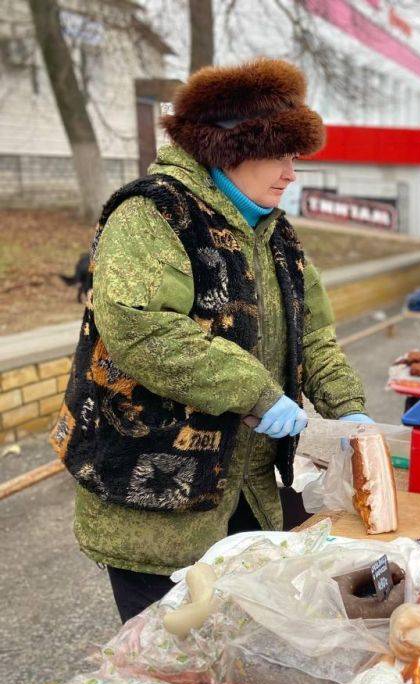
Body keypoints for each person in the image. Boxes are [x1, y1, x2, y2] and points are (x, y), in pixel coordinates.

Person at [50, 59, 372, 623]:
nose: (292, 174)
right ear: (230, 149)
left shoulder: (274, 234)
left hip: (248, 489)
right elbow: (142, 329)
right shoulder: (153, 213)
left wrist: (349, 412)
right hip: (155, 498)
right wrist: (256, 391)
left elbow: (313, 331)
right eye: (282, 156)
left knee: (240, 652)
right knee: (168, 653)